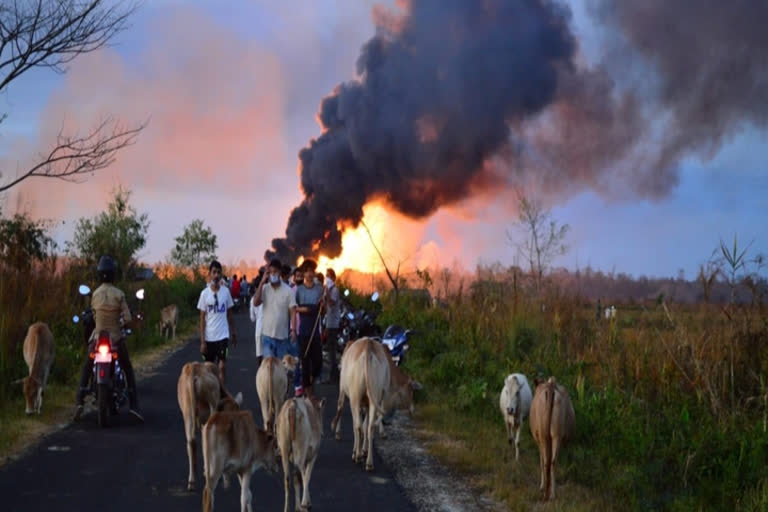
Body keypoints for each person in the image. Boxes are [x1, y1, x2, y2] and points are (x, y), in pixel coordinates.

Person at [74, 255, 143, 422]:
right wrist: (121, 322)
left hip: (98, 338)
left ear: (99, 274)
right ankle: (133, 405)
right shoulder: (119, 294)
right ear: (113, 274)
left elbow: (93, 315)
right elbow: (126, 318)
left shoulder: (95, 294)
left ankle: (80, 401)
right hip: (116, 339)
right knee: (127, 368)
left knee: (87, 364)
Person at [197, 260, 237, 383]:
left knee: (222, 366)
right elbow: (202, 319)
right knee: (209, 369)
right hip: (209, 337)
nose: (216, 275)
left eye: (219, 272)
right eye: (214, 272)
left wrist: (233, 332)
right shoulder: (204, 294)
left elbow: (230, 314)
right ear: (209, 274)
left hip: (223, 335)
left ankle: (222, 394)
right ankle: (211, 395)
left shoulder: (225, 292)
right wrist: (202, 341)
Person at [252, 258, 297, 360]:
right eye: (270, 272)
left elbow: (293, 311)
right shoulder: (265, 289)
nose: (273, 274)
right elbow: (255, 302)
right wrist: (262, 282)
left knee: (280, 368)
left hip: (282, 338)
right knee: (269, 369)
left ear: (280, 272)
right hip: (267, 336)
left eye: (275, 272)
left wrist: (293, 330)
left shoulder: (288, 291)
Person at [295, 259, 324, 399]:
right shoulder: (299, 290)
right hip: (304, 331)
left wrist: (323, 305)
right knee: (305, 362)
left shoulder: (320, 289)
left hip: (315, 331)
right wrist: (306, 309)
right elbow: (294, 308)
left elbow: (323, 310)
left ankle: (311, 383)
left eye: (313, 271)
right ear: (304, 272)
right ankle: (308, 393)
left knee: (318, 361)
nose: (311, 273)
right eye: (308, 271)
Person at [322, 268, 341, 384]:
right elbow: (325, 306)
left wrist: (327, 293)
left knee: (332, 350)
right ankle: (333, 375)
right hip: (328, 322)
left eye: (329, 276)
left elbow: (331, 303)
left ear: (333, 278)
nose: (327, 278)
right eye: (326, 276)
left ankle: (334, 376)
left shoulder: (334, 290)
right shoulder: (328, 290)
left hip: (333, 324)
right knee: (330, 350)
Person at [249, 269, 265, 368]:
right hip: (269, 328)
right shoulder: (268, 296)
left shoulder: (253, 300)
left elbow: (252, 318)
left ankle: (260, 372)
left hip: (259, 329)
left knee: (259, 353)